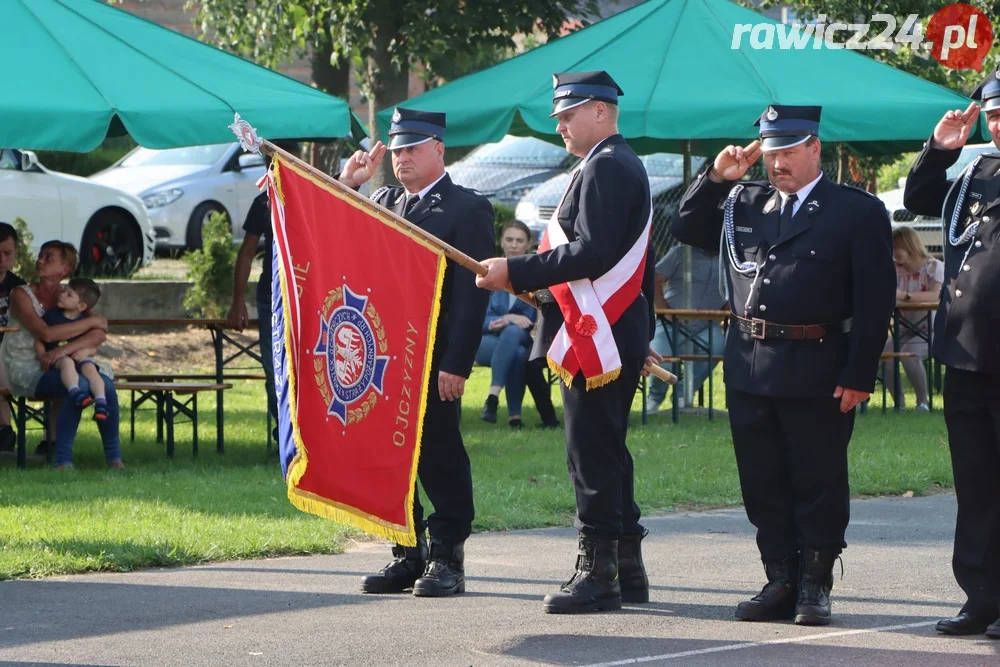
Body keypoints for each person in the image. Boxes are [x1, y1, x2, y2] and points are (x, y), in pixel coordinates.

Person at [672, 105, 895, 626]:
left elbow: (875, 299)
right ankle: (780, 579)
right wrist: (715, 177)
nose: (778, 163)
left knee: (817, 479)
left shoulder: (855, 211)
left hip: (819, 365)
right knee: (762, 480)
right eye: (771, 153)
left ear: (815, 148)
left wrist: (859, 373)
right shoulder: (742, 203)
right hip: (750, 366)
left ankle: (815, 585)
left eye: (789, 151)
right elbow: (684, 227)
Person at [477, 71, 658, 614]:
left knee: (591, 454)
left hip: (598, 333)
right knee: (606, 449)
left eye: (568, 112)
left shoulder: (607, 165)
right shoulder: (610, 163)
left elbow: (593, 253)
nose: (559, 123)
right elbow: (629, 262)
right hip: (605, 328)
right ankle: (626, 568)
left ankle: (598, 572)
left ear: (601, 111)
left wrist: (517, 269)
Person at [337, 107, 495, 597]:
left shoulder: (467, 208)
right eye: (398, 149)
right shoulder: (384, 200)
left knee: (438, 452)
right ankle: (407, 550)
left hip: (433, 352)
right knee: (390, 453)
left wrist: (457, 361)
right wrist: (350, 184)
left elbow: (473, 295)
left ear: (437, 149)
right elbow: (339, 236)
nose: (402, 157)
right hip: (385, 354)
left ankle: (447, 554)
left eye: (412, 147)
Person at [902, 68, 1000, 639]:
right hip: (965, 354)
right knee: (977, 483)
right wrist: (940, 150)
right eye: (995, 114)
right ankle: (981, 596)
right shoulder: (977, 171)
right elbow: (917, 199)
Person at [0, 241, 123, 469]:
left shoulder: (72, 296)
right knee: (78, 387)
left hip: (60, 361)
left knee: (105, 384)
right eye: (41, 255)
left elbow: (97, 334)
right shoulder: (20, 295)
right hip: (28, 365)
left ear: (65, 269)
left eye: (49, 257)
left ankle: (114, 457)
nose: (40, 260)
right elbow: (45, 333)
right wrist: (93, 322)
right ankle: (63, 459)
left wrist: (63, 350)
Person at [477, 219, 558, 429]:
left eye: (519, 240)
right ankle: (514, 417)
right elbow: (480, 318)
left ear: (528, 244)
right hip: (488, 340)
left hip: (525, 337)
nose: (514, 245)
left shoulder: (538, 276)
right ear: (502, 242)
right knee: (517, 352)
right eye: (509, 239)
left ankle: (493, 397)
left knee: (515, 339)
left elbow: (545, 308)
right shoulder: (488, 272)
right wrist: (505, 320)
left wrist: (533, 327)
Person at [646, 244, 726, 413]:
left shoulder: (730, 257)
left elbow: (736, 288)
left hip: (707, 324)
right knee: (662, 361)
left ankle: (683, 395)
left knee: (719, 346)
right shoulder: (681, 252)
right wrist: (664, 309)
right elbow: (654, 276)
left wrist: (723, 312)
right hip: (670, 322)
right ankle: (654, 398)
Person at [881, 226, 943, 412]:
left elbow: (935, 296)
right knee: (886, 354)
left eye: (897, 248)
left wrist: (904, 295)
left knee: (910, 355)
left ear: (910, 246)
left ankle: (922, 402)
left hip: (930, 329)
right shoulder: (894, 269)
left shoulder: (934, 267)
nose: (894, 253)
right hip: (904, 328)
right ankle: (899, 405)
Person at [35, 278, 109, 420]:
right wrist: (42, 356)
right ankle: (75, 392)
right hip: (57, 358)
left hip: (78, 356)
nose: (62, 295)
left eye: (69, 294)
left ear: (81, 306)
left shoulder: (84, 321)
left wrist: (86, 352)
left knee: (91, 368)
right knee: (66, 363)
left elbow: (93, 347)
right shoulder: (51, 316)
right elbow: (39, 338)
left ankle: (101, 402)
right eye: (64, 291)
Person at [0, 222, 26, 451]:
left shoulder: (19, 287)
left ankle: (4, 429)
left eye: (7, 253)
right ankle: (4, 428)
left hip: (13, 351)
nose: (1, 259)